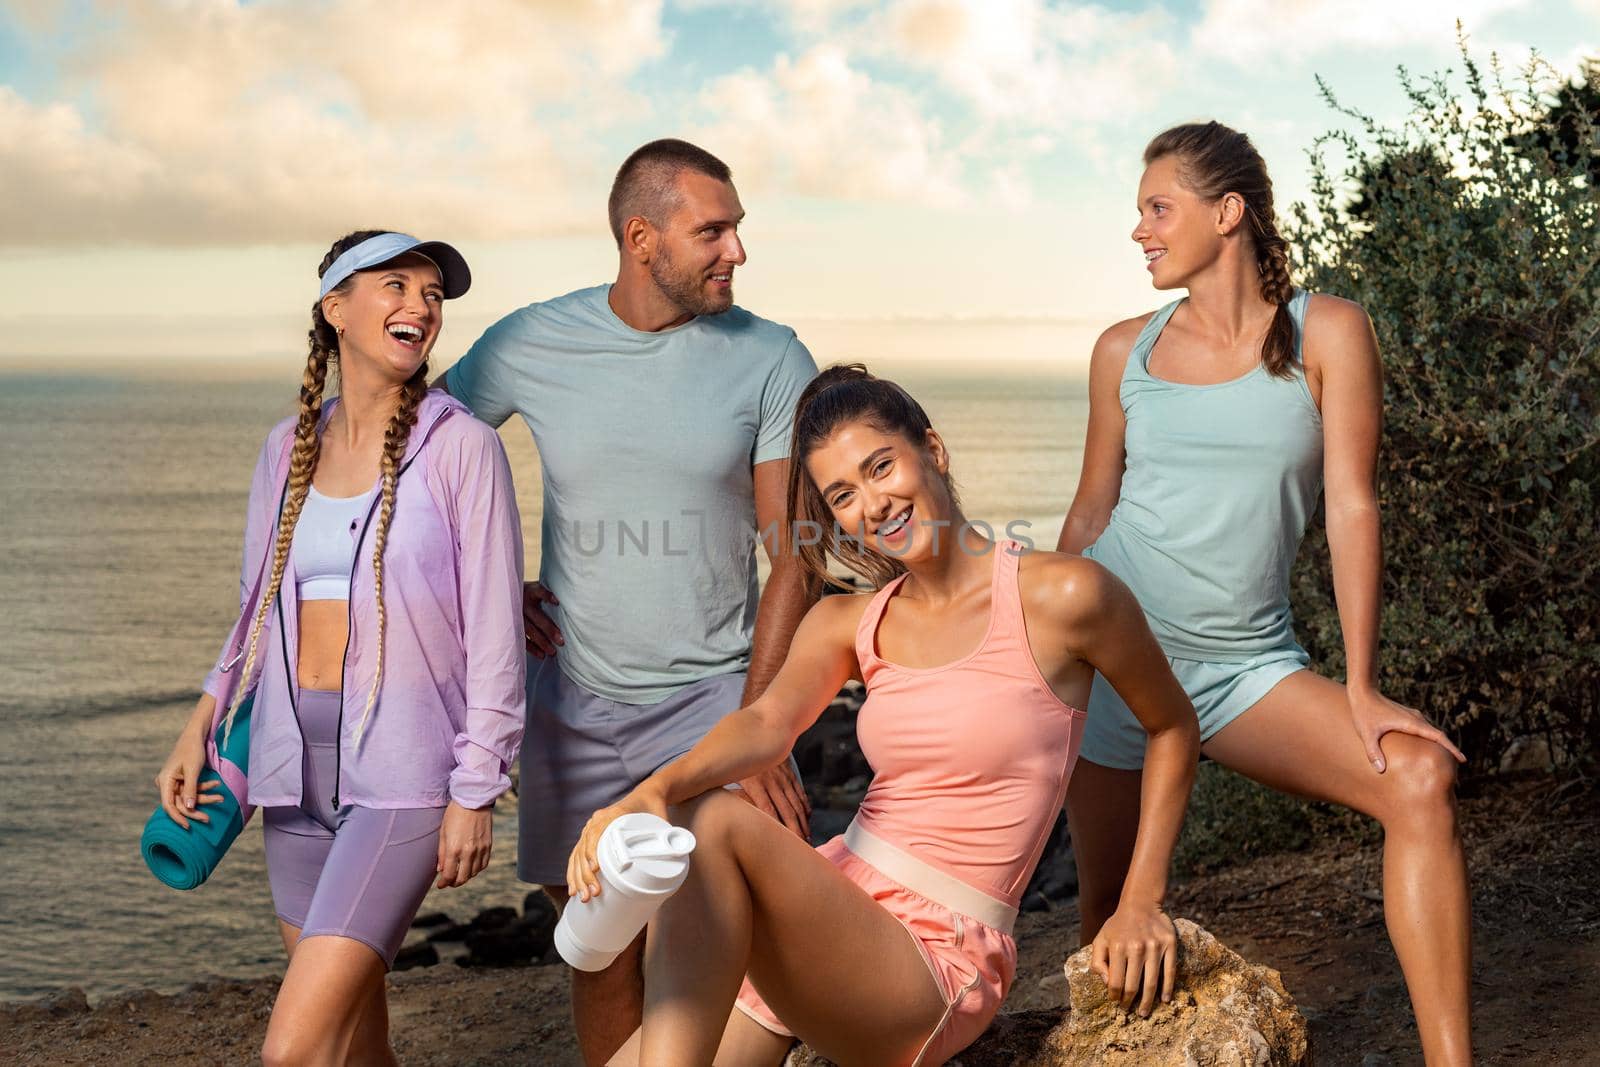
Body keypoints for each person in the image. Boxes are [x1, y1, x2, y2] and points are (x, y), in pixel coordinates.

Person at [567, 364, 1200, 1067]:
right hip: (834, 908)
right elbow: (766, 724)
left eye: (881, 466)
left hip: (938, 953)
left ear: (932, 449)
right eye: (844, 493)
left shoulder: (1063, 594)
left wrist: (1139, 899)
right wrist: (647, 791)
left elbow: (1172, 725)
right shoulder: (849, 620)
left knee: (707, 817)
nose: (873, 503)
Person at [1057, 121, 1473, 1065]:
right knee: (1106, 918)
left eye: (1157, 209)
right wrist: (1038, 657)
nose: (1141, 232)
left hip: (1246, 669)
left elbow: (1352, 503)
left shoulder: (1326, 332)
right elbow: (1089, 514)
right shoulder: (1124, 349)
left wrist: (1361, 685)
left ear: (1227, 212)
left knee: (1418, 778)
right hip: (1119, 666)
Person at [434, 138, 819, 1063]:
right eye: (712, 231)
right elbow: (422, 461)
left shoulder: (771, 356)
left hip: (713, 698)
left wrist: (763, 719)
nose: (736, 251)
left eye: (737, 229)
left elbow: (794, 554)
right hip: (572, 701)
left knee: (726, 945)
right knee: (601, 949)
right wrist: (484, 590)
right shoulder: (531, 342)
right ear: (641, 238)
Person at [154, 230, 526, 1066]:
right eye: (395, 285)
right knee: (356, 1046)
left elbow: (498, 636)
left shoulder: (463, 448)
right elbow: (255, 612)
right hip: (291, 776)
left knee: (294, 1050)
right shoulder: (284, 452)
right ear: (336, 310)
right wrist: (201, 723)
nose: (420, 307)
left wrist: (477, 787)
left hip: (402, 779)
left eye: (432, 294)